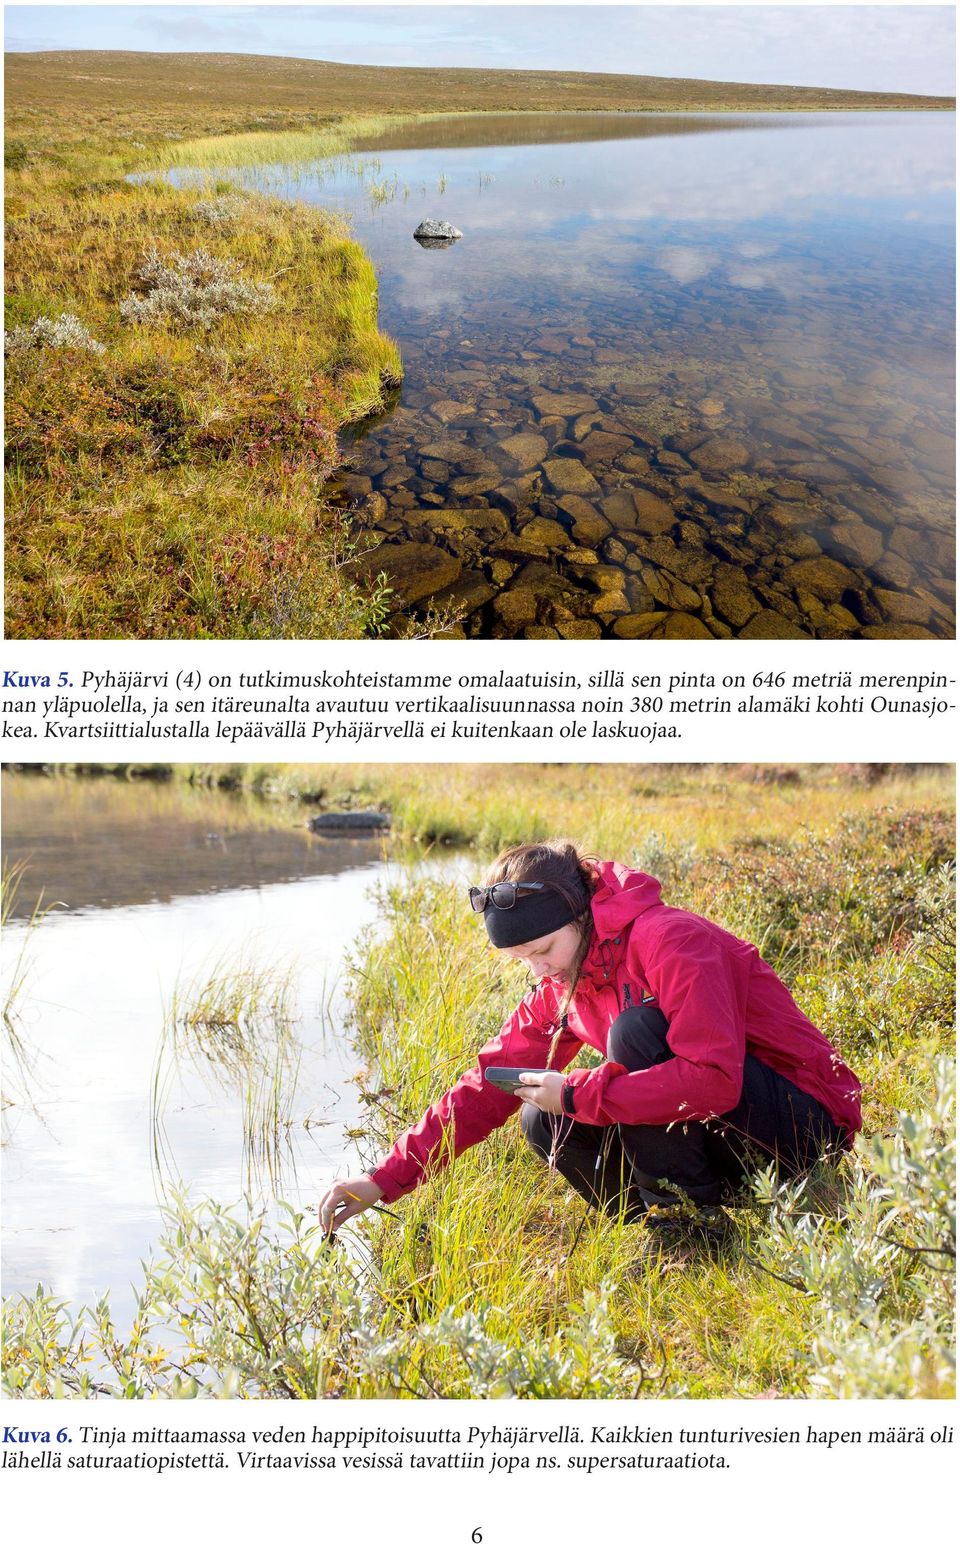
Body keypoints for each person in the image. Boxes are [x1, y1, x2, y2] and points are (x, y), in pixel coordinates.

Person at [319, 841, 862, 1241]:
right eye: (522, 960)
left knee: (636, 1033)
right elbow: (483, 1089)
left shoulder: (670, 940)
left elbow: (716, 1083)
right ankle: (686, 1212)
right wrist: (381, 1180)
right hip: (731, 1143)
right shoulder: (561, 984)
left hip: (804, 1126)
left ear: (579, 914)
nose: (537, 969)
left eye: (544, 948)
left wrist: (580, 1093)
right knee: (542, 1116)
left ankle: (686, 1230)